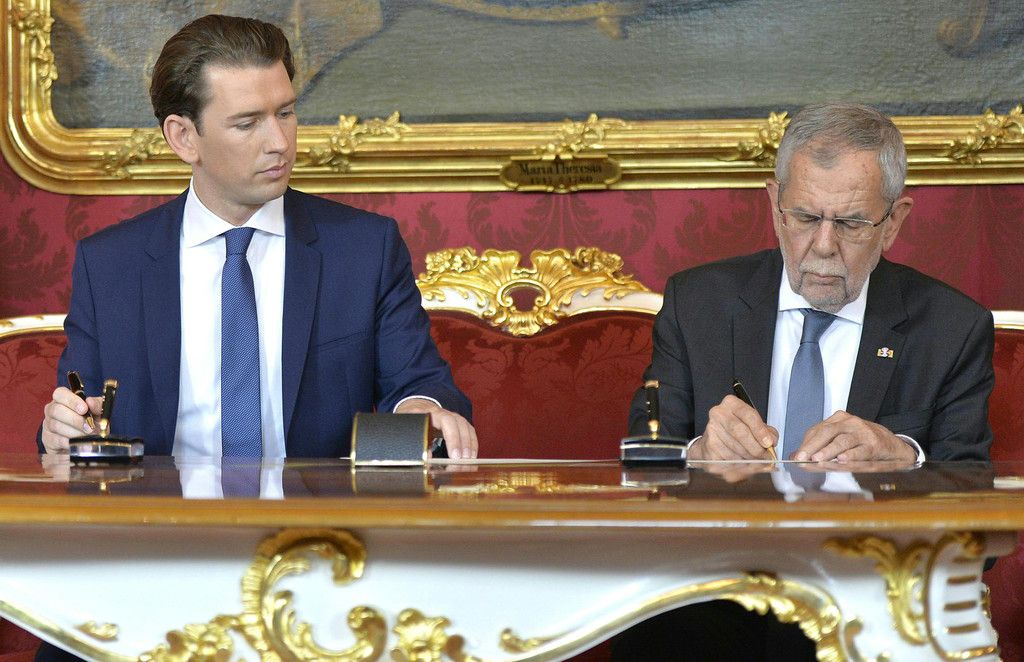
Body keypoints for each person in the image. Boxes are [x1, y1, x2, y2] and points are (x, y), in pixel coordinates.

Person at [616, 103, 994, 661]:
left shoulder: (951, 327)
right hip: (710, 595)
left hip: (868, 598)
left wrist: (906, 461)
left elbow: (980, 531)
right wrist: (698, 452)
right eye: (805, 217)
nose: (822, 245)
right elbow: (638, 465)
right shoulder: (697, 303)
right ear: (775, 206)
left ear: (894, 222)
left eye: (850, 223)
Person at [39, 14, 477, 462]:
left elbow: (419, 383)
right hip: (163, 504)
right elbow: (79, 414)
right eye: (247, 123)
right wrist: (62, 428)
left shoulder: (364, 250)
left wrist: (421, 409)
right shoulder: (110, 264)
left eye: (285, 113)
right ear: (184, 137)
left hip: (320, 505)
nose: (279, 142)